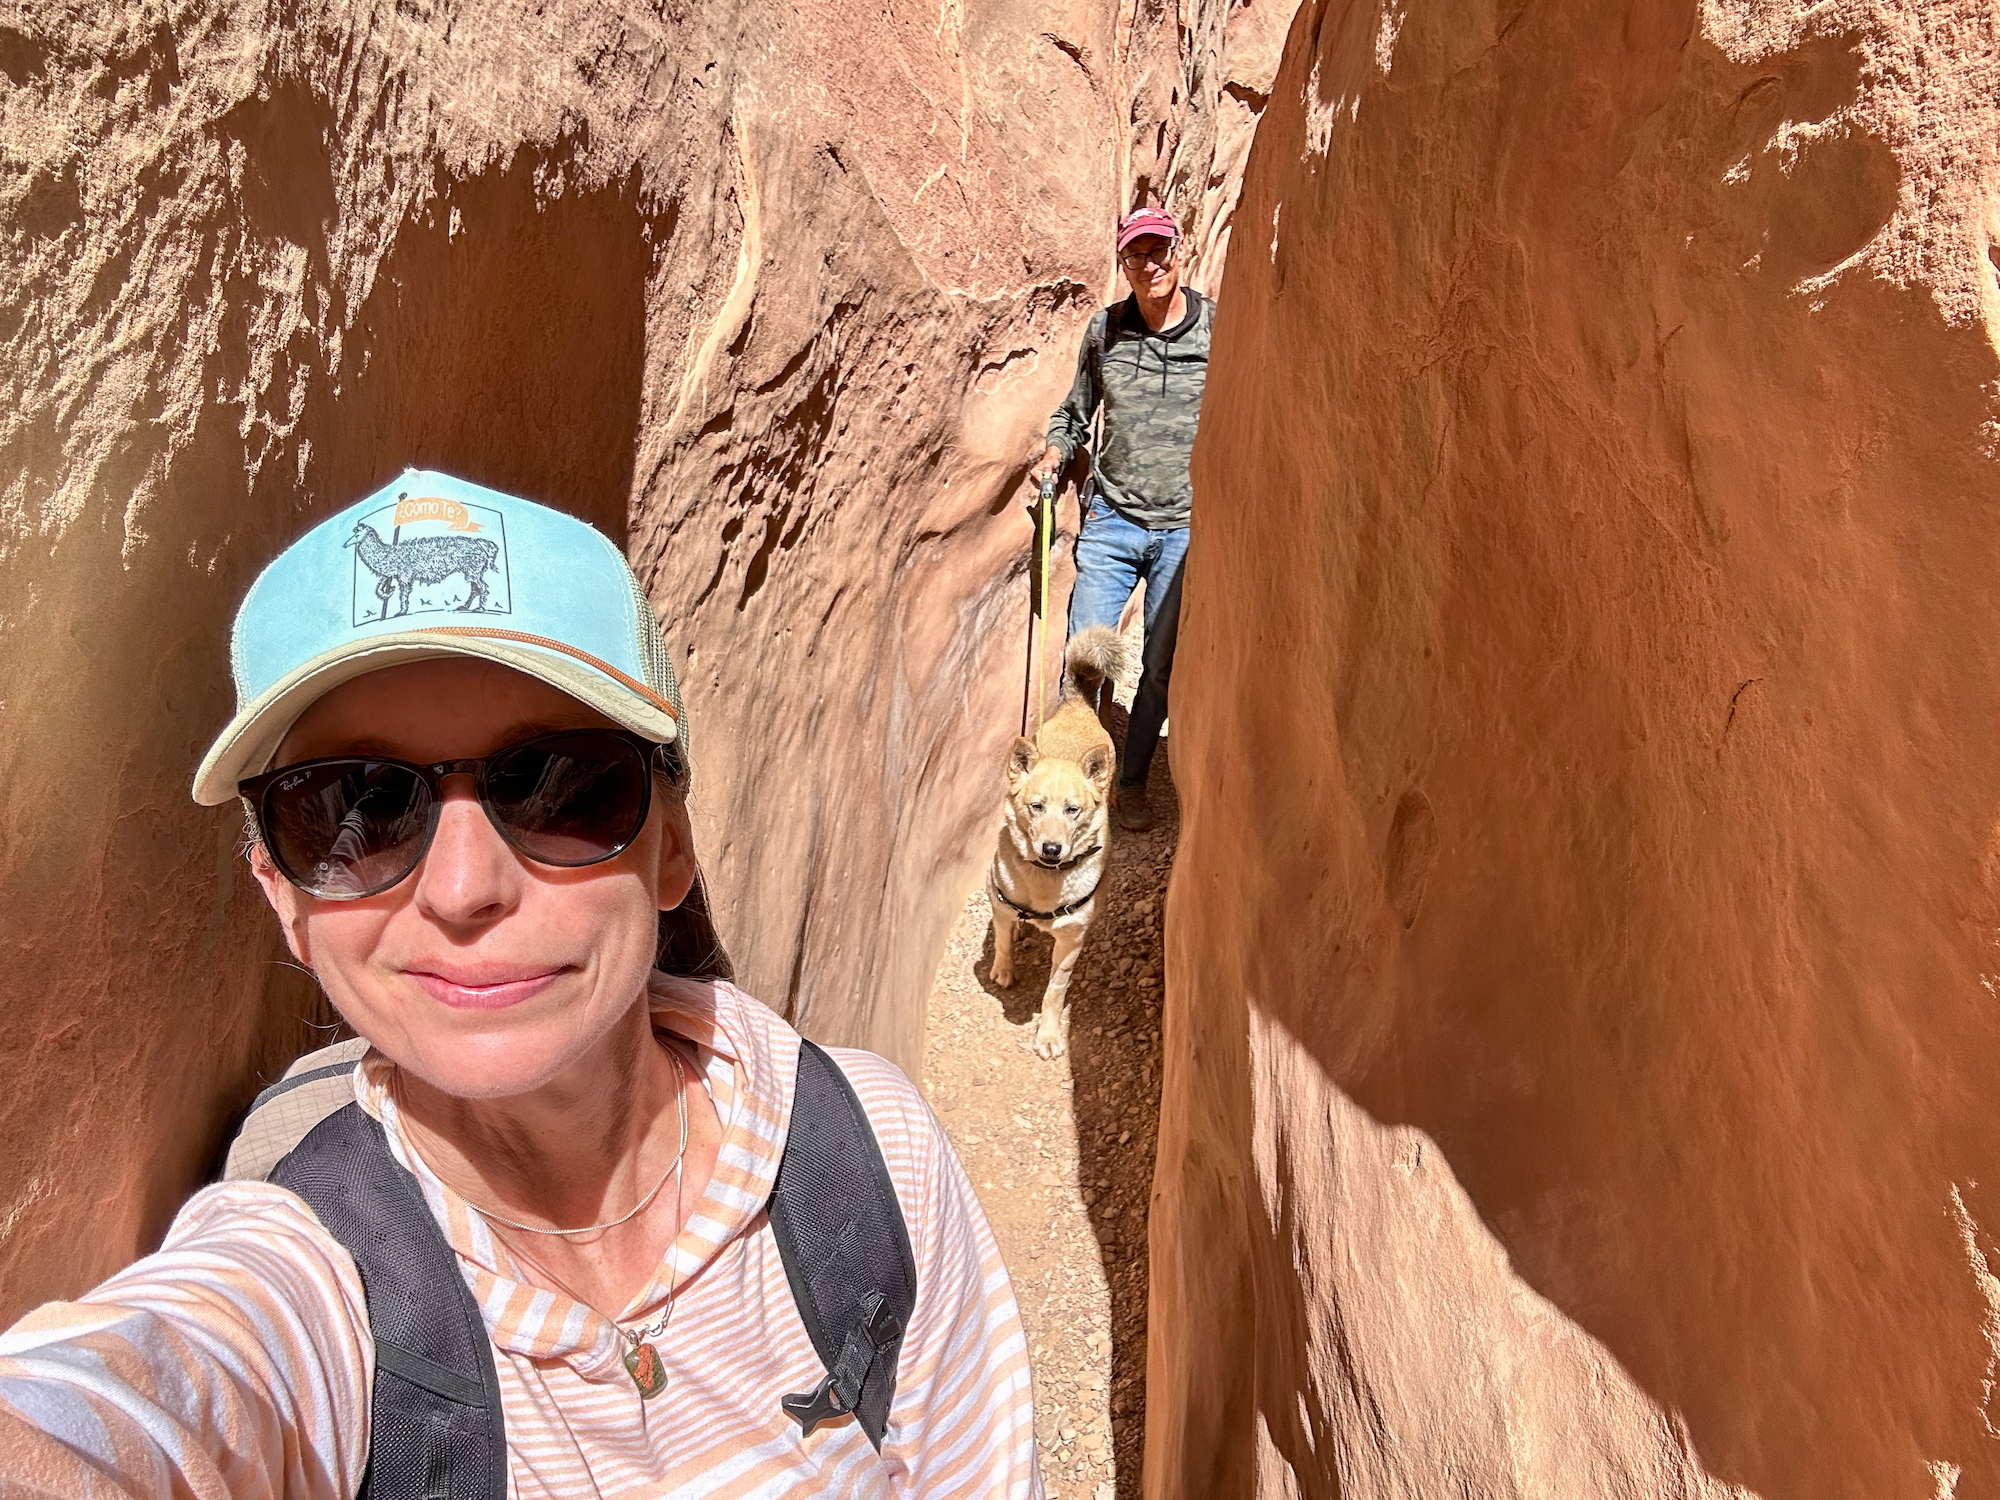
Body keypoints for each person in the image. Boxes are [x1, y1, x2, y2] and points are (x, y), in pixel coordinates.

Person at [0, 470, 1040, 1497]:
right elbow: (144, 1397)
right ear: (283, 895)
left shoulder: (871, 1154)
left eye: (558, 786)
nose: (462, 889)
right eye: (354, 808)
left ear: (671, 845)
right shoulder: (305, 1275)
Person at [1029, 205, 1213, 833]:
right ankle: (1071, 784)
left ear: (1178, 249)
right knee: (1087, 659)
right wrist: (1056, 452)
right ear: (1122, 262)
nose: (1149, 264)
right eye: (1135, 254)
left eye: (1159, 249)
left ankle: (1129, 783)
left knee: (1159, 665)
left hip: (1186, 527)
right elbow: (1073, 411)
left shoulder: (1217, 328)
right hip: (1114, 520)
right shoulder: (1105, 331)